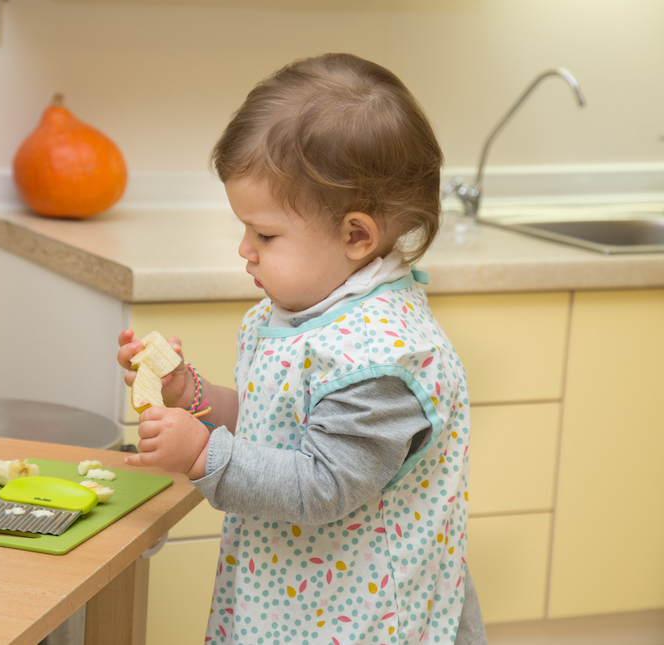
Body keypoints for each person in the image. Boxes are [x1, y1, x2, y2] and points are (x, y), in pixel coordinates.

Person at [117, 53, 487, 645]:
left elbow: (323, 483)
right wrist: (191, 395)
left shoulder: (383, 359)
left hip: (367, 619)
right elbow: (276, 426)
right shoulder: (296, 314)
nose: (245, 249)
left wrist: (203, 455)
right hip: (297, 600)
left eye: (264, 234)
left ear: (357, 236)